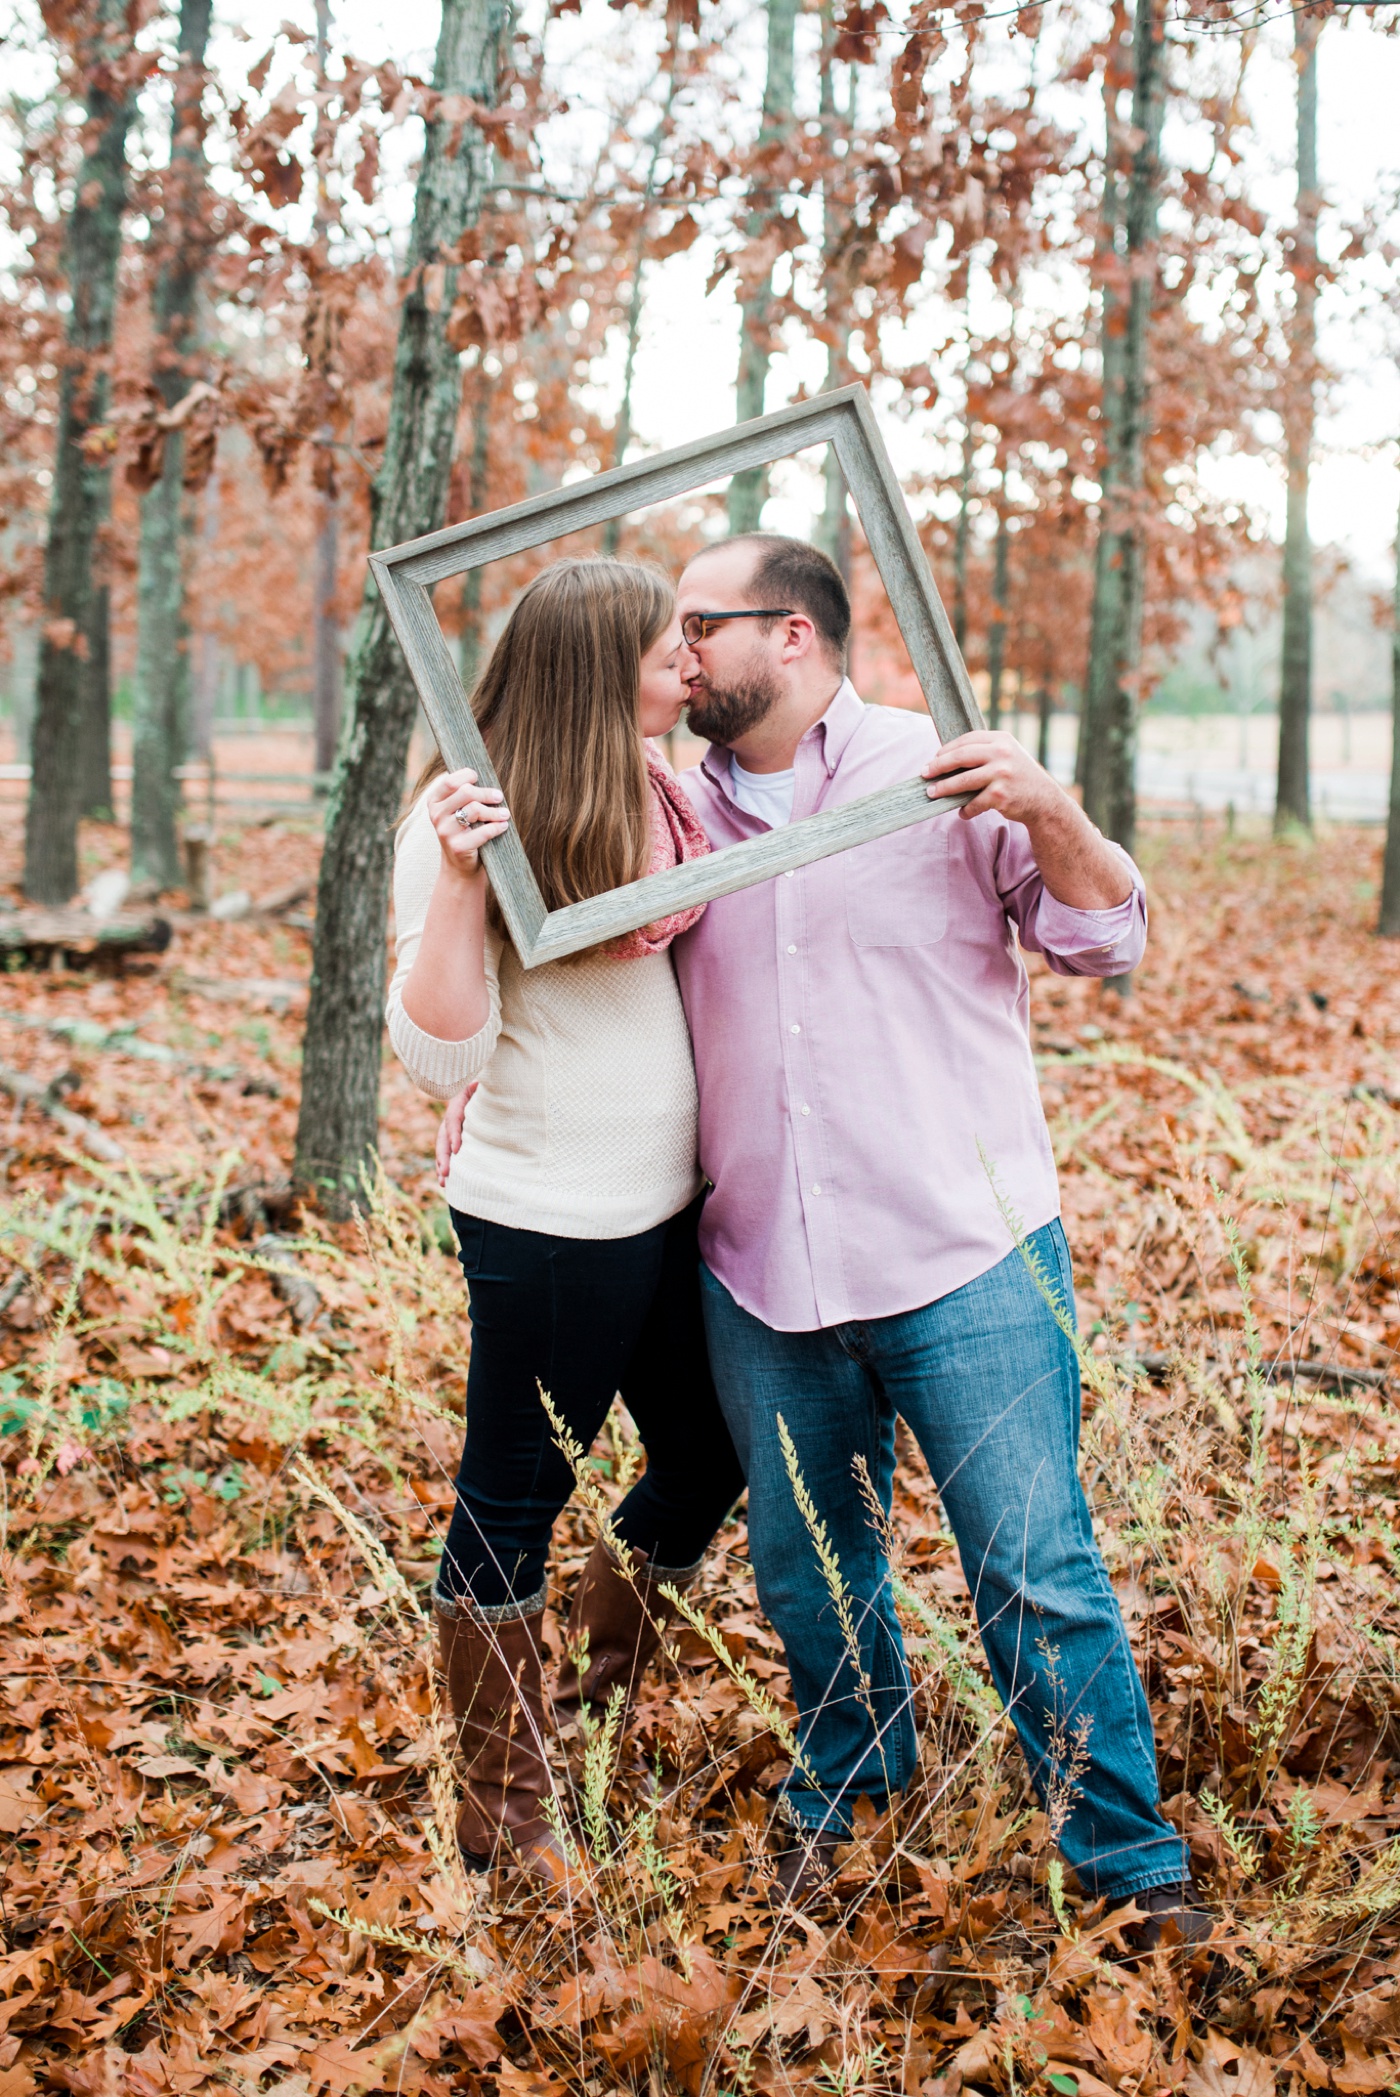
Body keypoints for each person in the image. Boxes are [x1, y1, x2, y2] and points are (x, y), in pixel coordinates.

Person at [666, 532, 1210, 1947]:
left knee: (1035, 1564)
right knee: (807, 1569)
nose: (675, 653)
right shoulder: (667, 810)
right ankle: (852, 1782)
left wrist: (1051, 809)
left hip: (965, 1252)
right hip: (763, 1267)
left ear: (789, 635)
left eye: (697, 625)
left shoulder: (945, 768)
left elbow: (1110, 944)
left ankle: (1127, 1862)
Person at [387, 556, 744, 1891]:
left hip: (663, 1212)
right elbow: (435, 1057)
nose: (691, 665)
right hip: (548, 1222)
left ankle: (585, 1710)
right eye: (668, 648)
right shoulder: (468, 820)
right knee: (516, 1497)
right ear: (603, 667)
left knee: (705, 1452)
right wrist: (470, 882)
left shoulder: (665, 793)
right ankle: (506, 1809)